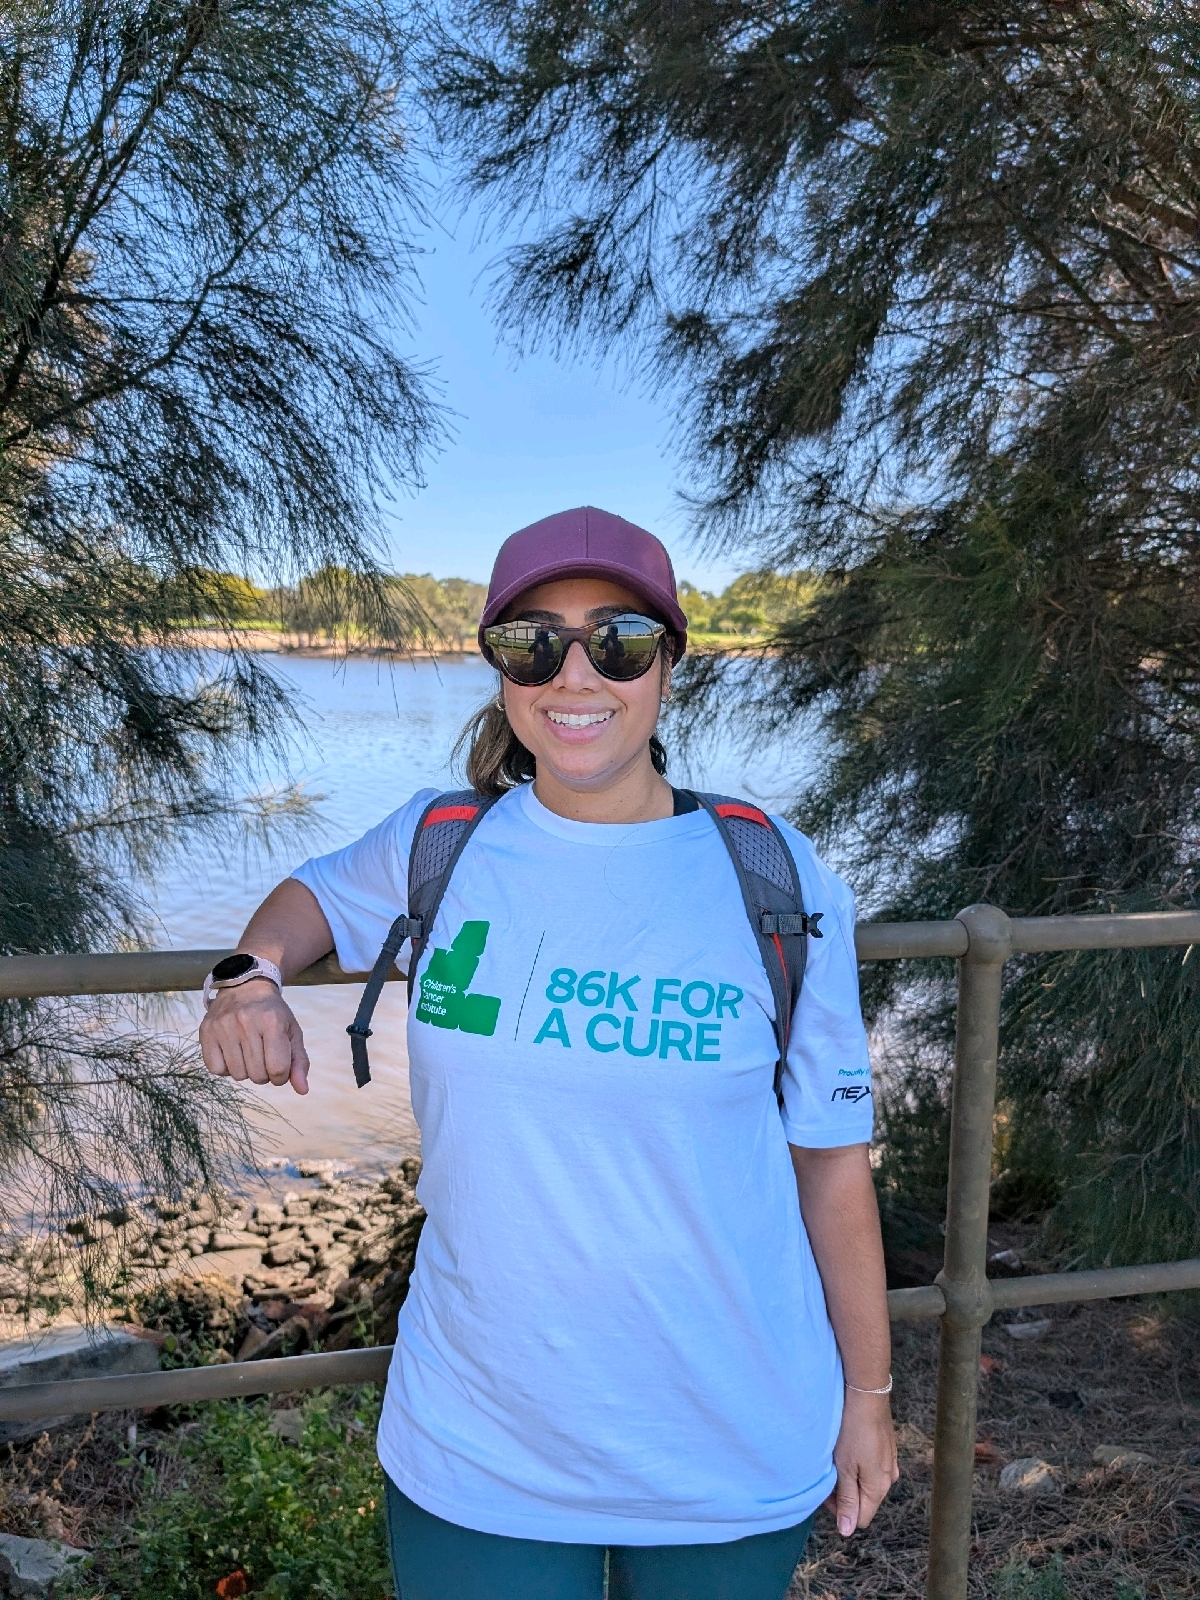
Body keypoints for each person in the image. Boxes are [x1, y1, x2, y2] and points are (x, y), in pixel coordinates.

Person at [199, 506, 898, 1600]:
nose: (576, 675)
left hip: (729, 1442)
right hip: (479, 1447)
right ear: (500, 670)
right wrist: (249, 978)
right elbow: (311, 896)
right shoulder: (444, 841)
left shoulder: (774, 873)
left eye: (619, 641)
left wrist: (868, 1397)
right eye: (533, 643)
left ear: (669, 665)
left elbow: (832, 1160)